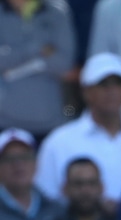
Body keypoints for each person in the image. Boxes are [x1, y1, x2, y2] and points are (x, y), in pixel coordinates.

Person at [34, 53, 121, 214]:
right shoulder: (58, 142)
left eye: (118, 83)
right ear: (86, 92)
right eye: (103, 84)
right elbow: (45, 200)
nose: (112, 91)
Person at [0, 0, 75, 142]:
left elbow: (63, 64)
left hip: (49, 122)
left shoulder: (57, 11)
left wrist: (13, 66)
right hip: (4, 122)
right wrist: (36, 50)